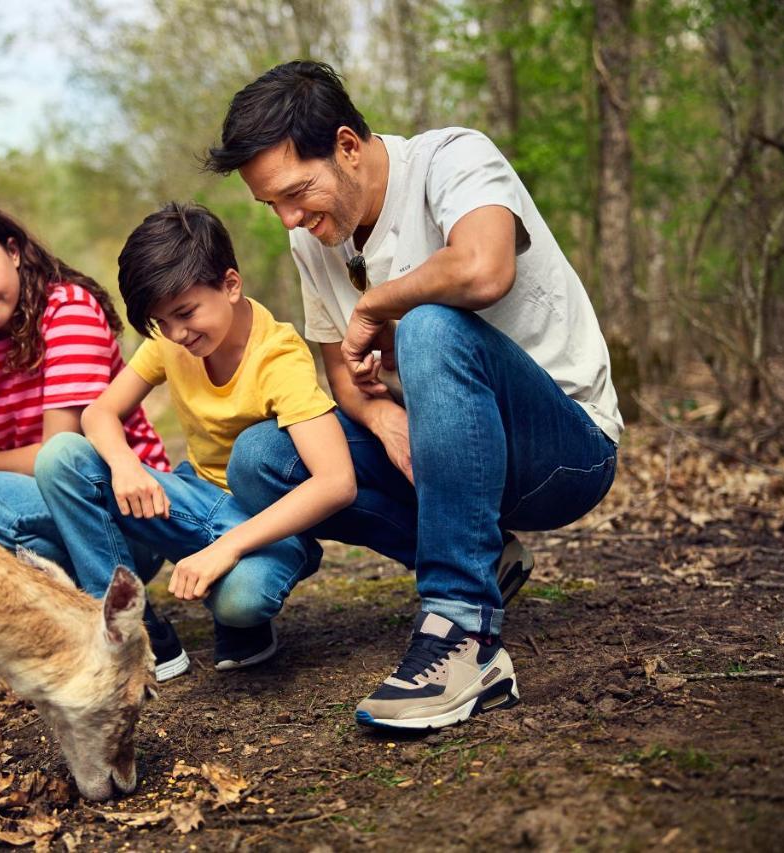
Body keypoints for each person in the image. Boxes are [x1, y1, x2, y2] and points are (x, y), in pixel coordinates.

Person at [203, 61, 622, 731]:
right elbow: (341, 372)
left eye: (295, 192)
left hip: (563, 452)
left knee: (431, 323)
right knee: (261, 458)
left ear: (346, 146)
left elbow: (485, 268)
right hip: (445, 458)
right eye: (271, 205)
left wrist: (380, 301)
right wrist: (382, 415)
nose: (288, 218)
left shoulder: (452, 157)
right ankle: (489, 557)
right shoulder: (314, 236)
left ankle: (464, 634)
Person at [33, 202, 357, 671]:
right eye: (162, 323)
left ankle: (241, 603)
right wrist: (124, 466)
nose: (175, 334)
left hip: (257, 523)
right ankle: (129, 629)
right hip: (190, 503)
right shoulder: (171, 339)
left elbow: (336, 481)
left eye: (184, 314)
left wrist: (227, 548)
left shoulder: (278, 357)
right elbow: (101, 411)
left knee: (241, 602)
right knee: (61, 455)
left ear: (230, 284)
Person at [0, 188, 189, 681]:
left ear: (13, 249)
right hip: (50, 522)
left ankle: (129, 628)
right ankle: (52, 634)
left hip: (127, 515)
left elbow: (61, 453)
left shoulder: (67, 311)